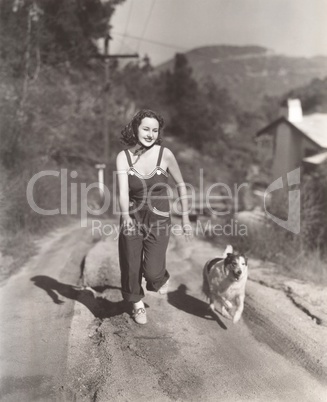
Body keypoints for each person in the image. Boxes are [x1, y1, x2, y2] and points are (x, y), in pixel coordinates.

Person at [116, 109, 192, 325]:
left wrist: (185, 219)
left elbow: (181, 186)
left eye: (154, 130)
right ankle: (137, 304)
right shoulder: (124, 157)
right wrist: (126, 218)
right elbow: (122, 192)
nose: (150, 134)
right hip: (132, 216)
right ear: (135, 128)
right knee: (131, 264)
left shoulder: (164, 155)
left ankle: (159, 277)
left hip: (158, 221)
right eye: (145, 128)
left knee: (151, 272)